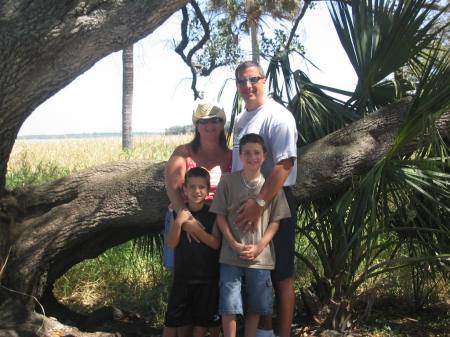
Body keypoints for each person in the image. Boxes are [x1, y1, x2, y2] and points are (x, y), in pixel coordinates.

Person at [232, 61, 298, 337]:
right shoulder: (240, 119)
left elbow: (285, 165)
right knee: (256, 271)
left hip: (273, 201)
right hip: (245, 203)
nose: (248, 86)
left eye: (253, 79)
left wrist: (259, 204)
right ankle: (263, 331)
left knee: (281, 274)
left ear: (264, 80)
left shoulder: (278, 116)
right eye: (242, 81)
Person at [210, 133, 291, 337]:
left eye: (257, 153)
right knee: (229, 304)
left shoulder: (271, 188)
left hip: (260, 258)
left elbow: (276, 222)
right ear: (240, 155)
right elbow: (219, 216)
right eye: (247, 153)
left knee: (257, 305)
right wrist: (233, 244)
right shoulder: (228, 182)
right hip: (230, 255)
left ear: (264, 156)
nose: (252, 157)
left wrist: (259, 246)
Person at [163, 100, 231, 337]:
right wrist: (187, 220)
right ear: (197, 125)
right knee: (184, 282)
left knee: (209, 282)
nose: (210, 125)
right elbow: (172, 187)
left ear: (222, 124)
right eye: (204, 121)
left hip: (217, 223)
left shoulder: (231, 155)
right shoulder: (183, 152)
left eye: (215, 120)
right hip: (183, 220)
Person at [163, 167, 221, 337]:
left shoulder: (213, 214)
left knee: (203, 324)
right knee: (173, 321)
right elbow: (172, 243)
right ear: (185, 190)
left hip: (207, 279)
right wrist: (179, 223)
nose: (197, 191)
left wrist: (195, 229)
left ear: (208, 190)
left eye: (201, 187)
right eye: (192, 187)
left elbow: (215, 243)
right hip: (183, 279)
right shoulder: (177, 213)